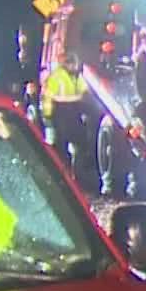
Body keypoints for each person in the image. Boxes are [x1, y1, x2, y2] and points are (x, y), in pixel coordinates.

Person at [41, 48, 97, 189]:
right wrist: (49, 118)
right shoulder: (56, 77)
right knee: (60, 149)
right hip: (58, 114)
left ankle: (76, 178)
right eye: (73, 64)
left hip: (71, 114)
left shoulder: (75, 76)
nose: (75, 66)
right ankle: (61, 179)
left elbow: (84, 91)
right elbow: (51, 96)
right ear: (67, 64)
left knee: (80, 145)